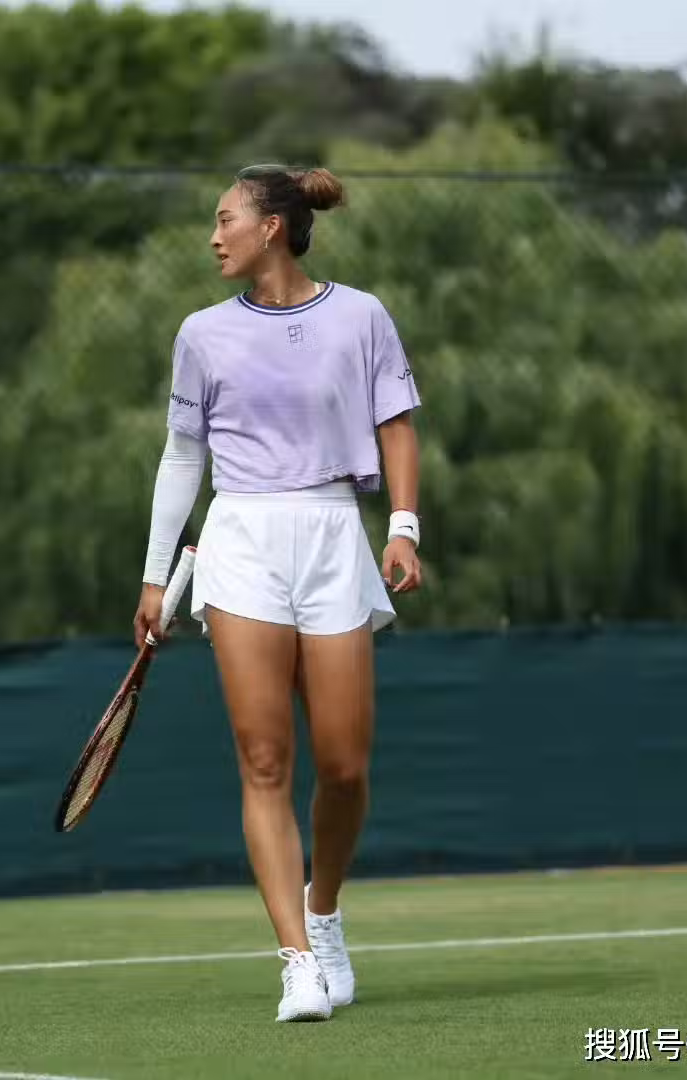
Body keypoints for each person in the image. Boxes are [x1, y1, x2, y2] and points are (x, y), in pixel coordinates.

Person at [135, 165, 423, 1023]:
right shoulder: (201, 333)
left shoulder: (362, 316)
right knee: (265, 761)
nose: (213, 236)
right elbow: (183, 456)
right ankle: (296, 961)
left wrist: (403, 526)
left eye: (225, 220)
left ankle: (322, 911)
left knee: (344, 765)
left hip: (333, 533)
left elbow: (397, 426)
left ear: (271, 228)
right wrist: (155, 574)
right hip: (241, 542)